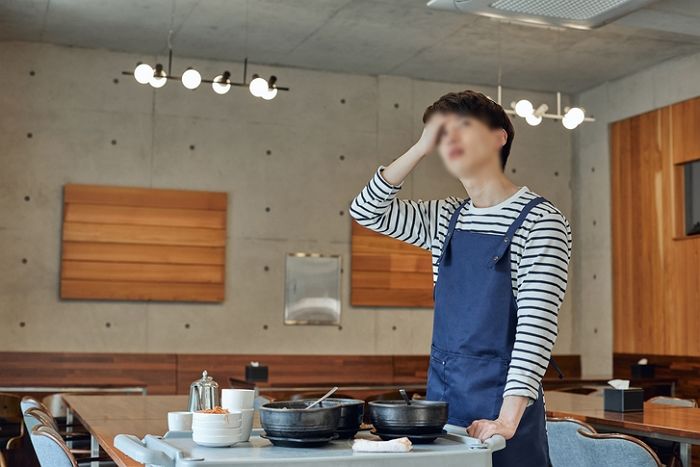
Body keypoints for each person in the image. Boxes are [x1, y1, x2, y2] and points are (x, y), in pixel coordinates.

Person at [350, 90, 571, 466]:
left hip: (505, 411)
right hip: (444, 405)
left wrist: (507, 419)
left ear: (499, 136)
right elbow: (367, 210)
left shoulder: (540, 221)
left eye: (462, 127)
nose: (448, 140)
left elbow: (537, 327)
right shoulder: (446, 219)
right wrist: (420, 147)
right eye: (441, 134)